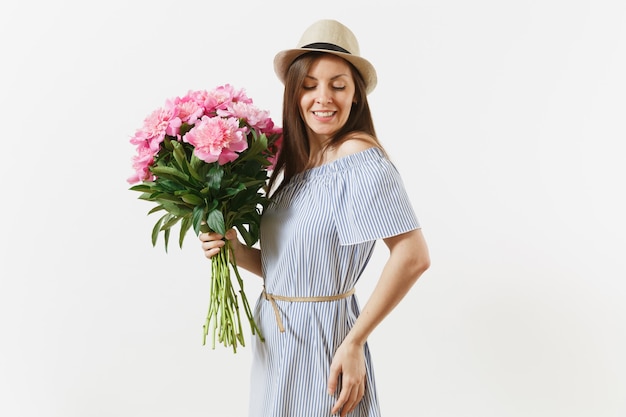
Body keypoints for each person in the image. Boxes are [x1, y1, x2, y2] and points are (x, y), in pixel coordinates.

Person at [199, 19, 430, 417]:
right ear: (294, 92)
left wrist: (354, 342)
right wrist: (234, 250)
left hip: (324, 340)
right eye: (309, 85)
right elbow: (291, 268)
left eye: (338, 85)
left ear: (356, 96)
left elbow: (412, 255)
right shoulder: (301, 166)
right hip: (277, 335)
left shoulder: (358, 158)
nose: (323, 97)